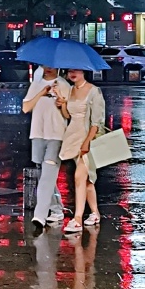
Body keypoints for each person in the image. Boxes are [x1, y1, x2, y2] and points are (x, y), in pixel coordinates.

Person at [55, 69, 105, 232]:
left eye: (76, 70)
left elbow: (96, 123)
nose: (72, 74)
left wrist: (87, 142)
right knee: (88, 180)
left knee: (79, 178)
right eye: (70, 71)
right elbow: (68, 115)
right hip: (72, 136)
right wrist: (62, 103)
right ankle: (95, 213)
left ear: (84, 71)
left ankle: (77, 219)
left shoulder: (93, 91)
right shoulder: (71, 90)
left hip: (87, 138)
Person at [23, 66, 71, 232]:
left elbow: (68, 115)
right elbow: (26, 107)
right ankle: (57, 209)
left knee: (48, 174)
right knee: (43, 175)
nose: (47, 68)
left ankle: (40, 215)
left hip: (56, 135)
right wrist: (41, 93)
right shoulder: (36, 84)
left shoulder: (64, 85)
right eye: (44, 65)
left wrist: (61, 102)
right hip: (37, 133)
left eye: (51, 65)